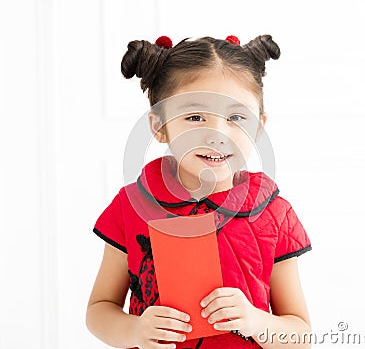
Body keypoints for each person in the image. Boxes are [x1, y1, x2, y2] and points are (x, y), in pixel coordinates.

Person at [86, 34, 312, 349]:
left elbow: (300, 335)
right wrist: (133, 330)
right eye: (194, 117)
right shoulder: (133, 204)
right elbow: (99, 310)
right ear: (159, 126)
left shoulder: (274, 212)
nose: (216, 134)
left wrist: (256, 320)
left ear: (258, 125)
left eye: (236, 117)